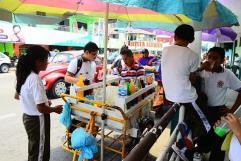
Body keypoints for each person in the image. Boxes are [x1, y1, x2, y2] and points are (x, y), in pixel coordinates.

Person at [161, 24, 211, 160]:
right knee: (205, 121)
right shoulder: (193, 55)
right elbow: (192, 78)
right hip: (184, 95)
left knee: (193, 112)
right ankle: (185, 147)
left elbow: (180, 70)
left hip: (169, 94)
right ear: (192, 40)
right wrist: (200, 68)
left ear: (175, 36)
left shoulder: (165, 50)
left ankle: (186, 135)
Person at [14, 45, 63, 161]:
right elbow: (41, 108)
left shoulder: (23, 74)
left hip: (27, 117)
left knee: (34, 148)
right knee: (41, 152)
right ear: (37, 61)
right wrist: (55, 109)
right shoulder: (35, 78)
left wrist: (44, 101)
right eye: (46, 60)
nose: (47, 63)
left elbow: (17, 96)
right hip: (37, 119)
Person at [194, 47, 241, 161]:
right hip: (202, 110)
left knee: (218, 141)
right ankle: (199, 153)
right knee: (202, 136)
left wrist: (232, 110)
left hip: (217, 111)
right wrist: (200, 68)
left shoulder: (227, 74)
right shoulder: (200, 71)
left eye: (215, 58)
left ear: (222, 60)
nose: (211, 60)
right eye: (209, 57)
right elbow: (189, 78)